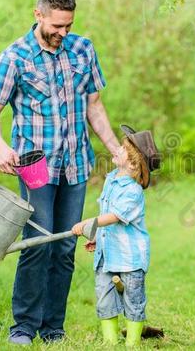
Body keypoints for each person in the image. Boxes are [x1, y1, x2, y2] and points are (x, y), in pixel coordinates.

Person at [0, 0, 120, 346]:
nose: (63, 33)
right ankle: (24, 327)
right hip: (35, 167)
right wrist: (0, 147)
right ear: (38, 14)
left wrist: (116, 150)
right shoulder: (14, 58)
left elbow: (95, 106)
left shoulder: (83, 49)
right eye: (57, 26)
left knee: (66, 247)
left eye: (68, 26)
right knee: (38, 243)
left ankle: (53, 327)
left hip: (76, 164)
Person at [72, 125, 161, 347]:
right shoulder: (111, 180)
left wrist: (87, 224)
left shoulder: (133, 191)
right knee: (104, 297)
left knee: (133, 300)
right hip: (107, 254)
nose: (117, 149)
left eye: (122, 148)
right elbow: (105, 214)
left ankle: (132, 342)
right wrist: (97, 236)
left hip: (130, 259)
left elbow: (114, 216)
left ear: (132, 163)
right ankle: (109, 342)